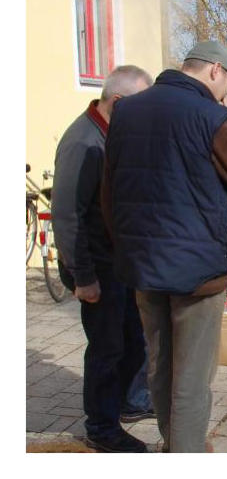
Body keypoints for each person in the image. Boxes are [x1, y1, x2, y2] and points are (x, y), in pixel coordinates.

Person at [102, 41, 227, 453]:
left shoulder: (126, 111)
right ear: (215, 70)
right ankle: (185, 453)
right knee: (191, 378)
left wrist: (127, 248)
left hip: (143, 266)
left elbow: (109, 191)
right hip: (198, 273)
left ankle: (174, 442)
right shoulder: (210, 116)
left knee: (160, 365)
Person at [52, 65, 154, 453]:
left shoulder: (110, 134)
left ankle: (128, 402)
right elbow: (67, 215)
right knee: (107, 347)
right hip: (93, 266)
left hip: (117, 263)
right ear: (119, 102)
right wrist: (83, 277)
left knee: (133, 339)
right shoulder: (84, 142)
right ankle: (101, 426)